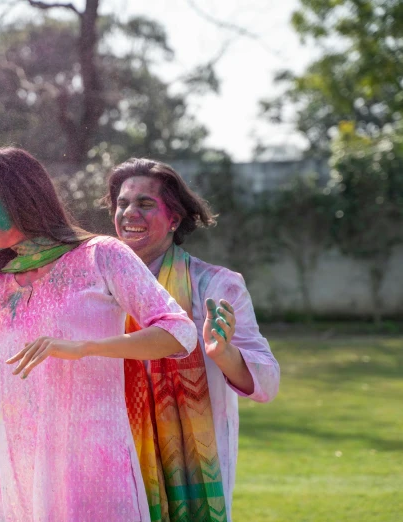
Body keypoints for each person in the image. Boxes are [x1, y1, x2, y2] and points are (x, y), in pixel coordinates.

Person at [0, 147, 197, 522]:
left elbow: (178, 332)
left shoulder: (102, 256)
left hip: (93, 474)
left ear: (20, 197)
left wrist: (85, 347)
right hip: (13, 477)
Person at [103, 158, 280, 522]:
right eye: (122, 203)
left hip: (190, 465)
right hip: (112, 454)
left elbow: (268, 383)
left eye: (146, 203)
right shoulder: (96, 287)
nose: (129, 213)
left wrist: (224, 353)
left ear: (174, 219)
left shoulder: (214, 286)